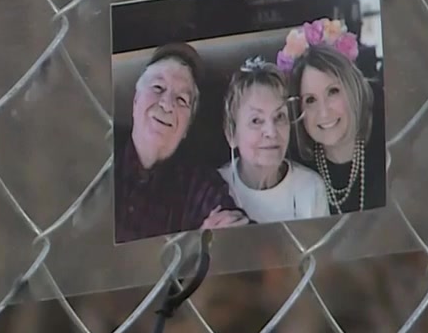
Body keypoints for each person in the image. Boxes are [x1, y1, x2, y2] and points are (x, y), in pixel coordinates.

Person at [114, 43, 250, 243]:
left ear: (187, 127)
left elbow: (240, 230)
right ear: (136, 100)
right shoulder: (98, 152)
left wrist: (207, 244)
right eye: (158, 87)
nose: (167, 104)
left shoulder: (197, 184)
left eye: (181, 99)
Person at [278, 19, 386, 214]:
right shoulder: (293, 167)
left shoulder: (388, 138)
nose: (324, 112)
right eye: (310, 100)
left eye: (333, 91)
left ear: (353, 88)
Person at [217, 57, 329, 224]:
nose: (271, 132)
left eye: (279, 117)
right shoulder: (213, 189)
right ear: (231, 134)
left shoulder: (311, 188)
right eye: (256, 120)